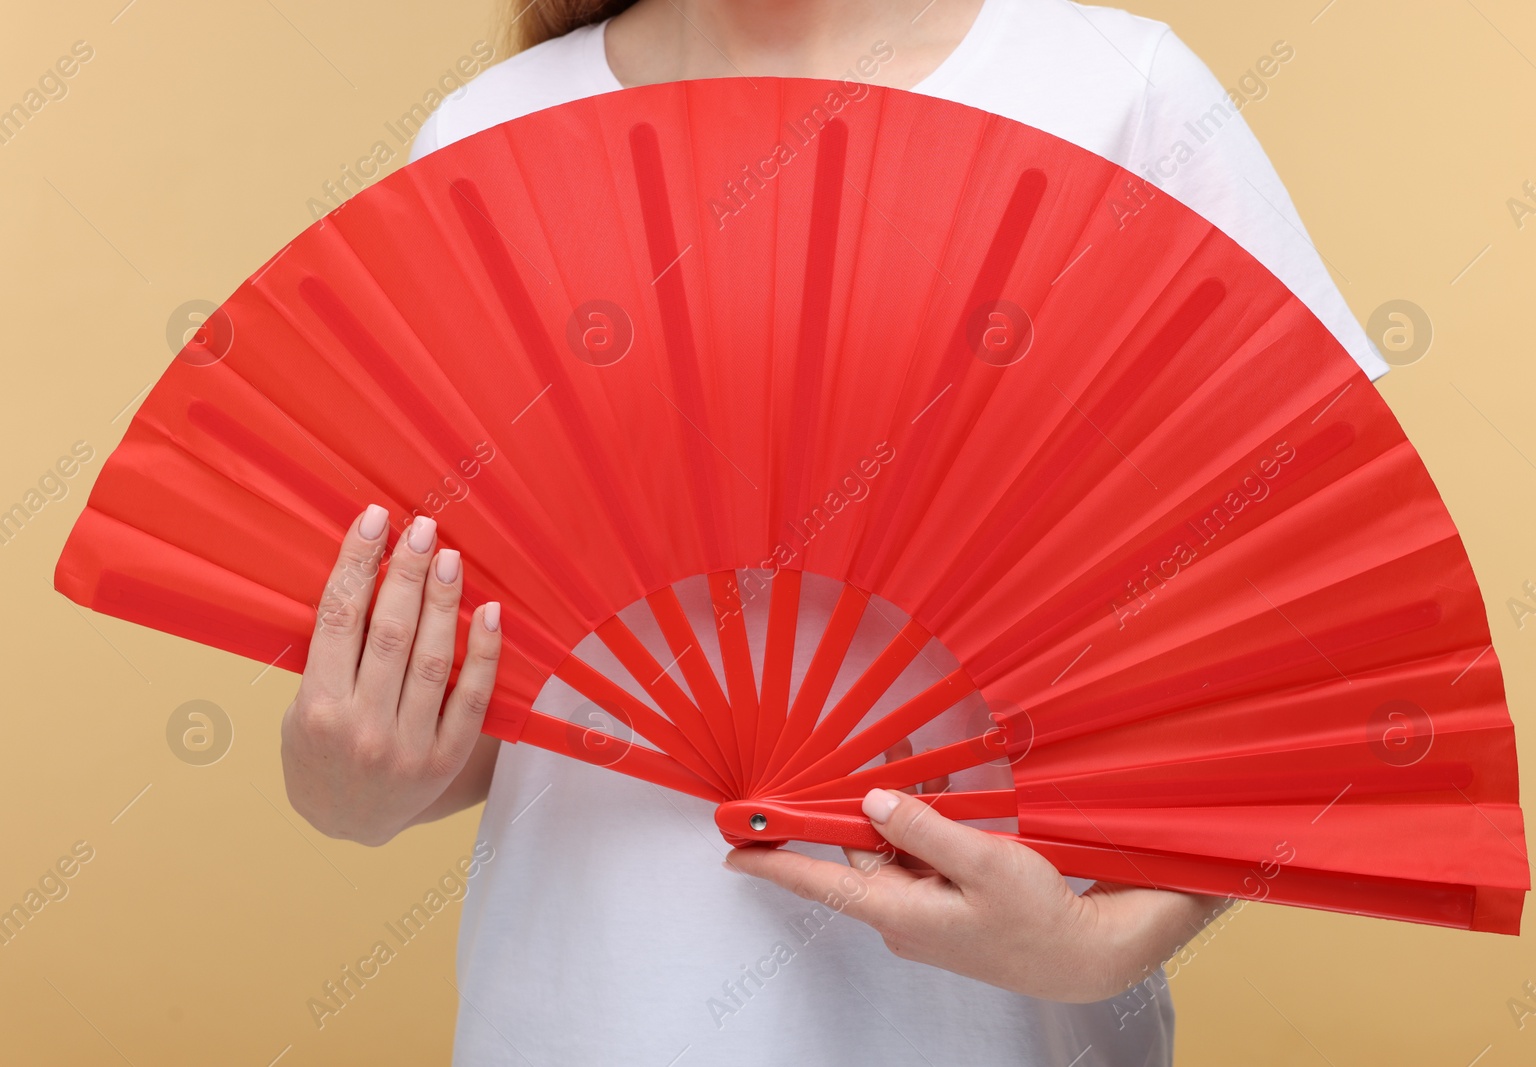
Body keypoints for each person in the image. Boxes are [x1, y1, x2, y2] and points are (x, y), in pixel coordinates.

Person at [281, 1, 1389, 1063]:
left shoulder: (1116, 95)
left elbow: (1307, 628)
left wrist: (1109, 942)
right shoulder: (487, 134)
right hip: (580, 1012)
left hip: (991, 1035)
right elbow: (499, 677)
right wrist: (355, 783)